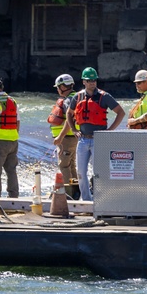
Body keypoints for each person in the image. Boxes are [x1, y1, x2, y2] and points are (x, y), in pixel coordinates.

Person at [54, 67, 124, 201]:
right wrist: (74, 130)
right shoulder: (78, 96)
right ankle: (86, 199)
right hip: (83, 140)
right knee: (81, 173)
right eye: (89, 80)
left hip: (99, 139)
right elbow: (69, 113)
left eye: (94, 80)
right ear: (84, 82)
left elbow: (120, 112)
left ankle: (101, 199)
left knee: (99, 172)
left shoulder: (104, 97)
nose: (92, 82)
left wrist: (110, 131)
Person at [47, 74, 78, 188]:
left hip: (67, 138)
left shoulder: (68, 100)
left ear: (63, 87)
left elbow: (70, 121)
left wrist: (60, 136)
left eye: (58, 87)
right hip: (73, 137)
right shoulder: (78, 97)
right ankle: (75, 191)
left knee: (64, 165)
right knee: (71, 165)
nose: (57, 89)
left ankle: (67, 193)